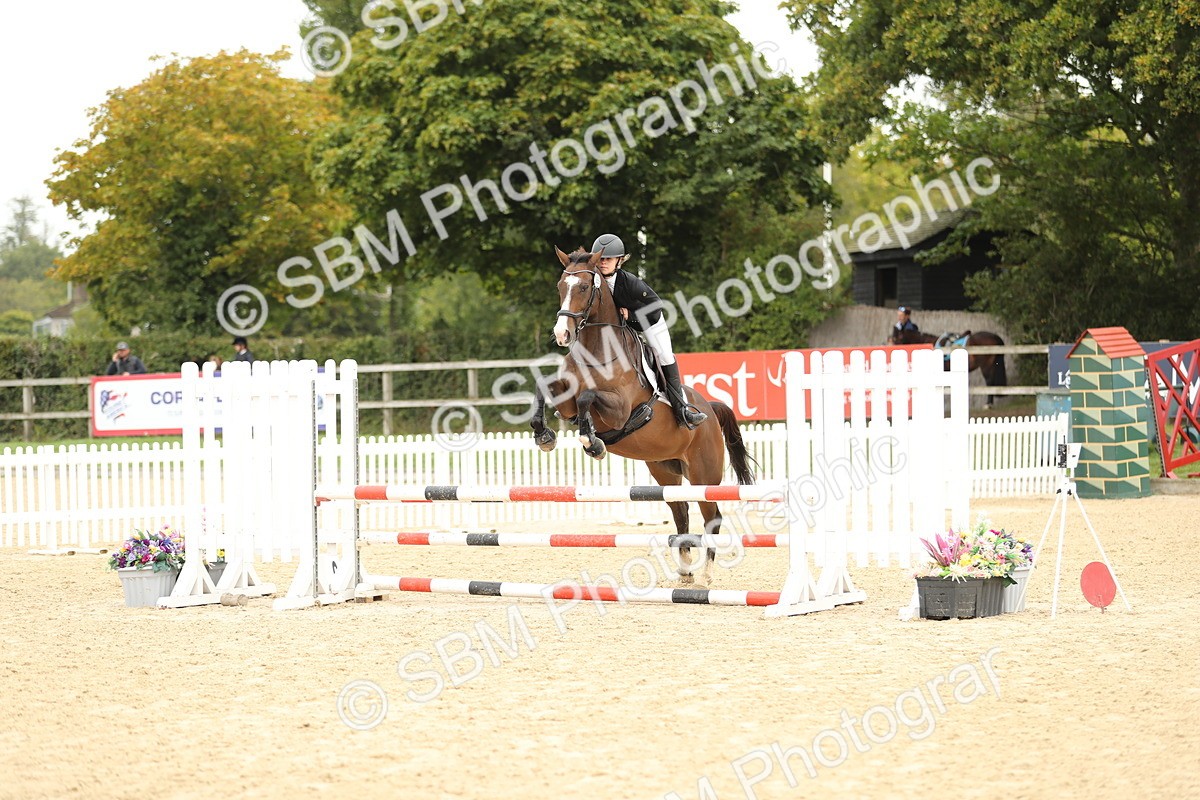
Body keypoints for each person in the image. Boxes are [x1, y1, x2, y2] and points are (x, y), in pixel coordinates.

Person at [589, 233, 707, 429]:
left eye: (608, 259)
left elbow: (655, 306)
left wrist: (631, 314)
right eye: (600, 259)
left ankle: (681, 409)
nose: (603, 263)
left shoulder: (631, 282)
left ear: (619, 261)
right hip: (620, 328)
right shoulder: (594, 280)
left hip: (649, 322)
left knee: (664, 356)